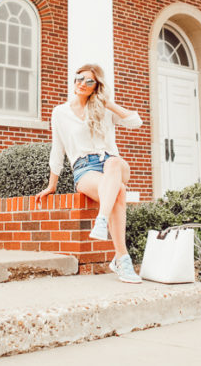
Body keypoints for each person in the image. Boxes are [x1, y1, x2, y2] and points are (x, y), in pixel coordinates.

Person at [35, 63, 144, 283]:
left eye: (89, 81)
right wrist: (51, 185)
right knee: (119, 192)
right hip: (84, 169)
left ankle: (101, 219)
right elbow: (58, 150)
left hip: (112, 163)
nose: (82, 83)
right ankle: (122, 259)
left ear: (96, 86)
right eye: (79, 78)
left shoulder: (102, 109)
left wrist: (109, 104)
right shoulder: (60, 113)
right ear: (74, 81)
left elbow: (136, 122)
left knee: (113, 164)